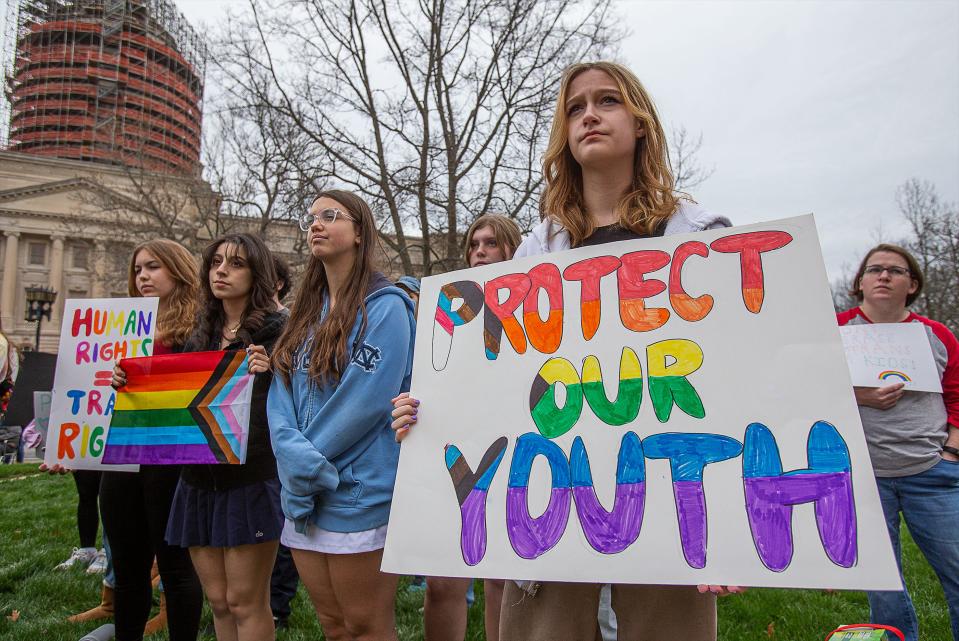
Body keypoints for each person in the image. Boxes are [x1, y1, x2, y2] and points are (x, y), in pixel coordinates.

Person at [393, 61, 740, 641]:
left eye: (607, 101)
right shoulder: (534, 255)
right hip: (553, 484)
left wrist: (731, 519)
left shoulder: (700, 238)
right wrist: (432, 409)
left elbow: (735, 379)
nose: (589, 116)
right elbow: (497, 373)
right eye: (575, 108)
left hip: (668, 486)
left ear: (641, 124)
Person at [267, 190, 415, 641]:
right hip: (303, 496)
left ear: (358, 232)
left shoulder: (386, 306)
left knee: (365, 625)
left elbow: (366, 400)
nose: (315, 224)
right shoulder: (304, 313)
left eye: (329, 216)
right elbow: (281, 391)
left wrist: (305, 459)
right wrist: (291, 456)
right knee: (332, 625)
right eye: (310, 217)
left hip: (358, 490)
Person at [395, 214, 520, 641]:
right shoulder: (443, 313)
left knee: (502, 579)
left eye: (491, 243)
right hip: (449, 448)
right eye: (474, 244)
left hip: (511, 447)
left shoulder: (534, 312)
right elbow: (426, 378)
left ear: (512, 249)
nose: (480, 252)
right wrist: (409, 403)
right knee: (442, 579)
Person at [162, 233, 287, 641]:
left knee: (244, 601)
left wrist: (271, 370)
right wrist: (128, 381)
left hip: (250, 478)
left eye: (235, 264)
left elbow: (303, 395)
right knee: (217, 600)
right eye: (216, 262)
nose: (222, 271)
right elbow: (176, 399)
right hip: (198, 478)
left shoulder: (279, 330)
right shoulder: (199, 334)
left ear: (258, 274)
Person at [837, 243, 959, 641]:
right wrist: (861, 395)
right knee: (883, 585)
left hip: (932, 473)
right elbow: (805, 390)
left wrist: (952, 453)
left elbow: (957, 396)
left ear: (913, 284)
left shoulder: (936, 335)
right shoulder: (834, 332)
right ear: (860, 283)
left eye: (895, 270)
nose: (884, 275)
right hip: (866, 477)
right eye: (874, 269)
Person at [101, 239, 204, 641]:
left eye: (153, 267)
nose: (142, 276)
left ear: (178, 270)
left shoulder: (199, 328)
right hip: (123, 458)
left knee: (176, 568)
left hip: (172, 460)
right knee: (128, 570)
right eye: (138, 269)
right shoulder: (121, 328)